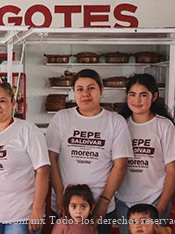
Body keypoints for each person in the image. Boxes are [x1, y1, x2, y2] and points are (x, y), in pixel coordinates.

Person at [46, 68, 133, 234]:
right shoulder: (62, 118)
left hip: (100, 207)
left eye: (91, 88)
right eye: (79, 89)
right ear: (74, 93)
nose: (85, 93)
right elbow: (51, 158)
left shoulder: (115, 121)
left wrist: (104, 202)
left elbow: (120, 165)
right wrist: (59, 196)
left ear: (101, 90)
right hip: (67, 208)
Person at [0, 83, 50, 234]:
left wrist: (37, 210)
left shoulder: (26, 129)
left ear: (13, 104)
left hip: (21, 215)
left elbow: (43, 170)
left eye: (2, 101)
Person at [116, 74, 175, 234]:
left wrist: (161, 206)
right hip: (124, 202)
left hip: (155, 199)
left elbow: (172, 170)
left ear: (154, 96)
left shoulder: (164, 126)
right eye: (132, 94)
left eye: (143, 95)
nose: (137, 100)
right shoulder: (119, 124)